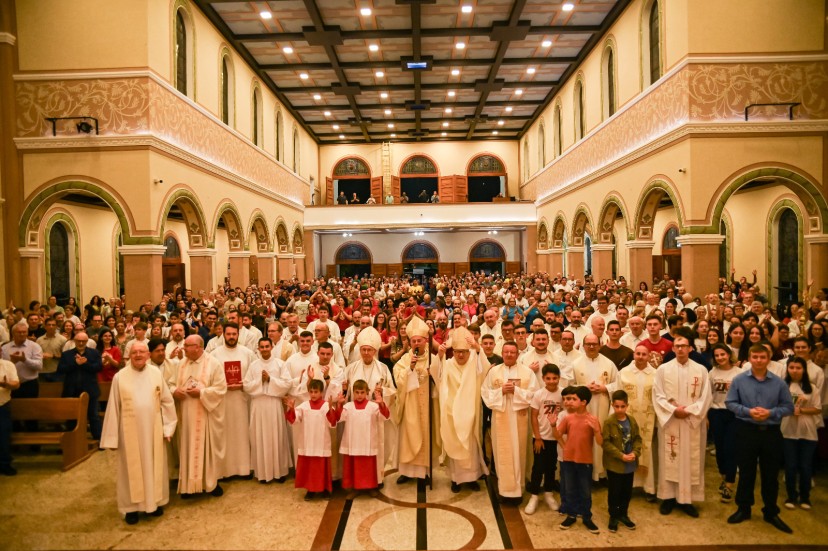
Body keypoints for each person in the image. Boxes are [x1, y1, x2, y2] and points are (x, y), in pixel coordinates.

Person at [100, 342, 177, 525]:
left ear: (148, 354)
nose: (138, 355)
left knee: (154, 466)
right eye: (134, 352)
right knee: (130, 470)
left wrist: (168, 428)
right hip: (129, 432)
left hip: (154, 429)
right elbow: (113, 407)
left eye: (142, 352)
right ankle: (131, 509)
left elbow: (167, 401)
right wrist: (112, 438)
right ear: (130, 355)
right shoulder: (120, 377)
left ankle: (155, 503)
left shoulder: (156, 373)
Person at [726, 344, 795, 533]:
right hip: (746, 430)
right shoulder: (739, 380)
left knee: (770, 474)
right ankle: (744, 508)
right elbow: (730, 403)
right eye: (754, 357)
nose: (758, 360)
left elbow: (788, 407)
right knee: (746, 472)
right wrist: (748, 411)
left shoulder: (779, 383)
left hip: (771, 433)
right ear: (749, 358)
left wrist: (770, 413)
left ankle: (771, 511)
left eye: (762, 357)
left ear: (768, 358)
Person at [653, 335, 711, 517]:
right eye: (677, 346)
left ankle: (687, 500)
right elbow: (657, 395)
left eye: (684, 346)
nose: (680, 349)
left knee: (691, 460)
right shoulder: (663, 370)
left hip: (691, 422)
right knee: (670, 458)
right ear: (673, 349)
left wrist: (690, 411)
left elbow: (706, 396)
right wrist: (673, 410)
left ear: (690, 348)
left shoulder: (701, 370)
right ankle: (668, 498)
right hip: (671, 421)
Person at [481, 341, 539, 501]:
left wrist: (516, 391)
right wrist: (501, 391)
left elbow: (534, 394)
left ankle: (518, 489)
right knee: (502, 452)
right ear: (502, 353)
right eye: (506, 352)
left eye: (512, 352)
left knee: (519, 451)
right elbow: (485, 393)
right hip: (500, 417)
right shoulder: (494, 372)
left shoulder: (527, 372)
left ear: (517, 354)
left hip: (520, 418)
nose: (508, 355)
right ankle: (504, 490)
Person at [436, 326, 489, 493]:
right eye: (457, 351)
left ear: (468, 351)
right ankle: (456, 479)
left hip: (470, 413)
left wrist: (477, 348)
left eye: (464, 352)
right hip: (451, 412)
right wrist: (440, 356)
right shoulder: (448, 364)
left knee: (471, 447)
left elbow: (485, 368)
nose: (460, 355)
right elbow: (436, 375)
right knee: (454, 444)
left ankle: (472, 478)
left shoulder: (474, 363)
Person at [174, 335, 227, 498]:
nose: (184, 348)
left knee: (207, 449)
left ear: (198, 347)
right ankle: (188, 485)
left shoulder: (213, 363)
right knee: (187, 447)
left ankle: (210, 483)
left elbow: (220, 388)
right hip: (186, 416)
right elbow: (170, 383)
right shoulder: (181, 364)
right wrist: (174, 391)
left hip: (205, 416)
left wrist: (202, 392)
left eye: (187, 345)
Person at [550, 385, 603, 534]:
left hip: (585, 461)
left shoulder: (592, 419)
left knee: (585, 491)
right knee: (570, 489)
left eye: (574, 399)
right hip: (568, 460)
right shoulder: (568, 418)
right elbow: (557, 435)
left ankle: (587, 517)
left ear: (583, 402)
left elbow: (600, 442)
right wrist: (553, 424)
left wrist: (597, 430)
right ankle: (571, 515)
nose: (570, 401)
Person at [393, 316, 439, 484]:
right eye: (413, 341)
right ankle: (407, 471)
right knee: (409, 436)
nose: (416, 344)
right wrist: (410, 369)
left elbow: (440, 378)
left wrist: (433, 372)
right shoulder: (405, 360)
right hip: (410, 403)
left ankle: (425, 472)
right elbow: (398, 379)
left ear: (425, 341)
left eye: (419, 340)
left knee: (426, 435)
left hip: (427, 404)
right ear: (410, 343)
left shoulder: (432, 359)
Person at [607, 344, 657, 498]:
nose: (640, 357)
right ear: (633, 355)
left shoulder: (656, 374)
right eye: (638, 354)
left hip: (649, 417)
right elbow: (617, 393)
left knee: (647, 449)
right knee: (627, 447)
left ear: (648, 356)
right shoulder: (624, 373)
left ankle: (648, 487)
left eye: (644, 354)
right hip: (628, 418)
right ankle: (628, 486)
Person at [243, 338, 293, 483]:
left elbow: (287, 384)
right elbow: (246, 386)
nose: (264, 349)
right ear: (258, 348)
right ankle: (263, 473)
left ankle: (280, 472)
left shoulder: (280, 364)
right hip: (258, 405)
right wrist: (260, 381)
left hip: (274, 404)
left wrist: (270, 379)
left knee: (276, 436)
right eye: (262, 347)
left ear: (271, 347)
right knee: (259, 437)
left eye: (267, 346)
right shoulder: (253, 366)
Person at [211, 322, 256, 479]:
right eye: (228, 334)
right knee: (225, 433)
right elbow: (210, 377)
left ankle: (244, 469)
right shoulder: (215, 354)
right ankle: (225, 471)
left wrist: (244, 385)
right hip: (223, 400)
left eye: (234, 334)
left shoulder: (247, 353)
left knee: (242, 432)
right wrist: (222, 385)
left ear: (238, 334)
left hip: (241, 399)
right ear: (223, 334)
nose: (231, 337)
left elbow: (254, 374)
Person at [285, 378, 340, 500]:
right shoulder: (304, 406)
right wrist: (292, 409)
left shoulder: (326, 405)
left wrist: (331, 410)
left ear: (321, 392)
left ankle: (325, 489)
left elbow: (333, 422)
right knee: (310, 468)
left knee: (322, 468)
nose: (313, 394)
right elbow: (294, 419)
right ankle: (310, 490)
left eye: (316, 392)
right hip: (308, 442)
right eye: (311, 391)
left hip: (321, 442)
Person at [572, 334, 617, 480]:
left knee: (601, 437)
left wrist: (605, 388)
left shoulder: (609, 364)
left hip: (602, 407)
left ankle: (600, 474)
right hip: (582, 409)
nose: (591, 347)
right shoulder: (576, 364)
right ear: (583, 345)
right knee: (583, 438)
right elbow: (568, 386)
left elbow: (618, 384)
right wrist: (584, 387)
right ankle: (585, 474)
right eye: (588, 344)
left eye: (594, 344)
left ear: (600, 344)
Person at [335, 379, 390, 493]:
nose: (359, 395)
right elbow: (338, 418)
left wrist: (381, 404)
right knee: (354, 466)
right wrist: (339, 404)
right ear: (353, 393)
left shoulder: (373, 406)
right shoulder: (348, 406)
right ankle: (355, 488)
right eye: (357, 392)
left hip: (367, 442)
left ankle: (370, 487)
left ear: (367, 393)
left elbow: (384, 417)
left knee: (368, 467)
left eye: (362, 392)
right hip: (353, 442)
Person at [781, 356, 821, 510]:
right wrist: (789, 409)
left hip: (808, 432)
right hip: (788, 431)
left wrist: (802, 409)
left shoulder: (811, 387)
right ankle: (791, 496)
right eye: (792, 367)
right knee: (790, 466)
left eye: (798, 368)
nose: (795, 371)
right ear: (787, 369)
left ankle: (805, 497)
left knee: (805, 466)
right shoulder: (783, 386)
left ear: (804, 369)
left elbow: (817, 408)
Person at [602, 389, 642, 533]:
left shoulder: (632, 421)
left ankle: (623, 514)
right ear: (612, 405)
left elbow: (637, 439)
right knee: (615, 491)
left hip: (629, 464)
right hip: (615, 465)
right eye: (617, 406)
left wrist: (635, 453)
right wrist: (620, 455)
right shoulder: (609, 422)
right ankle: (613, 515)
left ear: (627, 405)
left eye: (622, 406)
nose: (619, 409)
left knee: (626, 491)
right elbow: (606, 443)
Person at [707, 343, 742, 503]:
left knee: (731, 449)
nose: (720, 357)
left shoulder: (739, 373)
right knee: (720, 449)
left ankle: (729, 484)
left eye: (723, 354)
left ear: (729, 355)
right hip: (716, 413)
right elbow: (708, 395)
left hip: (734, 415)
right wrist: (707, 416)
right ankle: (724, 476)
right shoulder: (712, 373)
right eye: (717, 355)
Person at [525, 363, 562, 515]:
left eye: (555, 378)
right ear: (543, 378)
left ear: (559, 378)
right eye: (548, 378)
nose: (552, 381)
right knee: (538, 467)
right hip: (541, 438)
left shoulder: (563, 393)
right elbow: (534, 416)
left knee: (551, 467)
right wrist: (538, 437)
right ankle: (534, 496)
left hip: (556, 438)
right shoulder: (539, 394)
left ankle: (548, 493)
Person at [57, 332, 102, 440]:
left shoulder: (94, 353)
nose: (81, 343)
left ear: (87, 341)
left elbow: (99, 367)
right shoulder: (67, 354)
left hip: (90, 390)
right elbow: (60, 369)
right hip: (71, 390)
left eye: (83, 341)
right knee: (72, 417)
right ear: (74, 341)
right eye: (78, 341)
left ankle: (98, 439)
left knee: (94, 416)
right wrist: (75, 363)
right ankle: (72, 439)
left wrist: (85, 364)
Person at [0, 356, 20, 476]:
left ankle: (4, 464)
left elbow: (16, 384)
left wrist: (6, 384)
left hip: (2, 406)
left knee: (3, 436)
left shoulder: (8, 365)